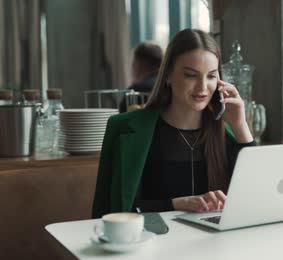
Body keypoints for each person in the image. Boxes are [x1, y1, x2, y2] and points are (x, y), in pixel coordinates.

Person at [92, 29, 256, 218]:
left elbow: (258, 199)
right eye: (191, 75)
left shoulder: (229, 131)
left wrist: (241, 126)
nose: (202, 87)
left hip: (217, 244)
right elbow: (112, 212)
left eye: (211, 76)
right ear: (168, 74)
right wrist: (175, 204)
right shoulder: (124, 128)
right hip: (150, 243)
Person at [119, 41, 163, 112]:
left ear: (139, 65)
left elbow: (122, 118)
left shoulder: (135, 91)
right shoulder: (169, 86)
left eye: (133, 63)